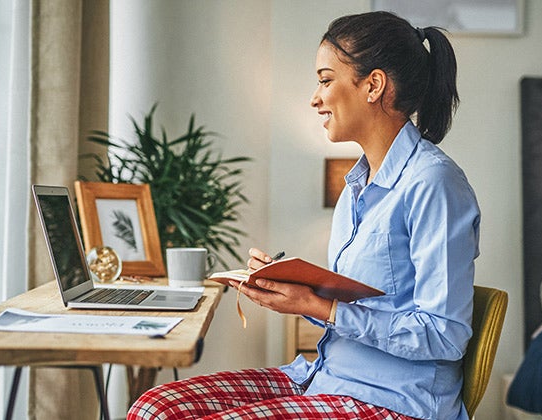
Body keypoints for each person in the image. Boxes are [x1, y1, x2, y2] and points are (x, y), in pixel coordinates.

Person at [127, 10, 480, 420]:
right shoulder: (356, 188)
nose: (315, 97)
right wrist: (292, 281)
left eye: (326, 80)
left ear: (373, 85)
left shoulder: (434, 184)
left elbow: (444, 336)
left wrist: (316, 306)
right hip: (324, 377)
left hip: (392, 402)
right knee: (154, 407)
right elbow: (372, 298)